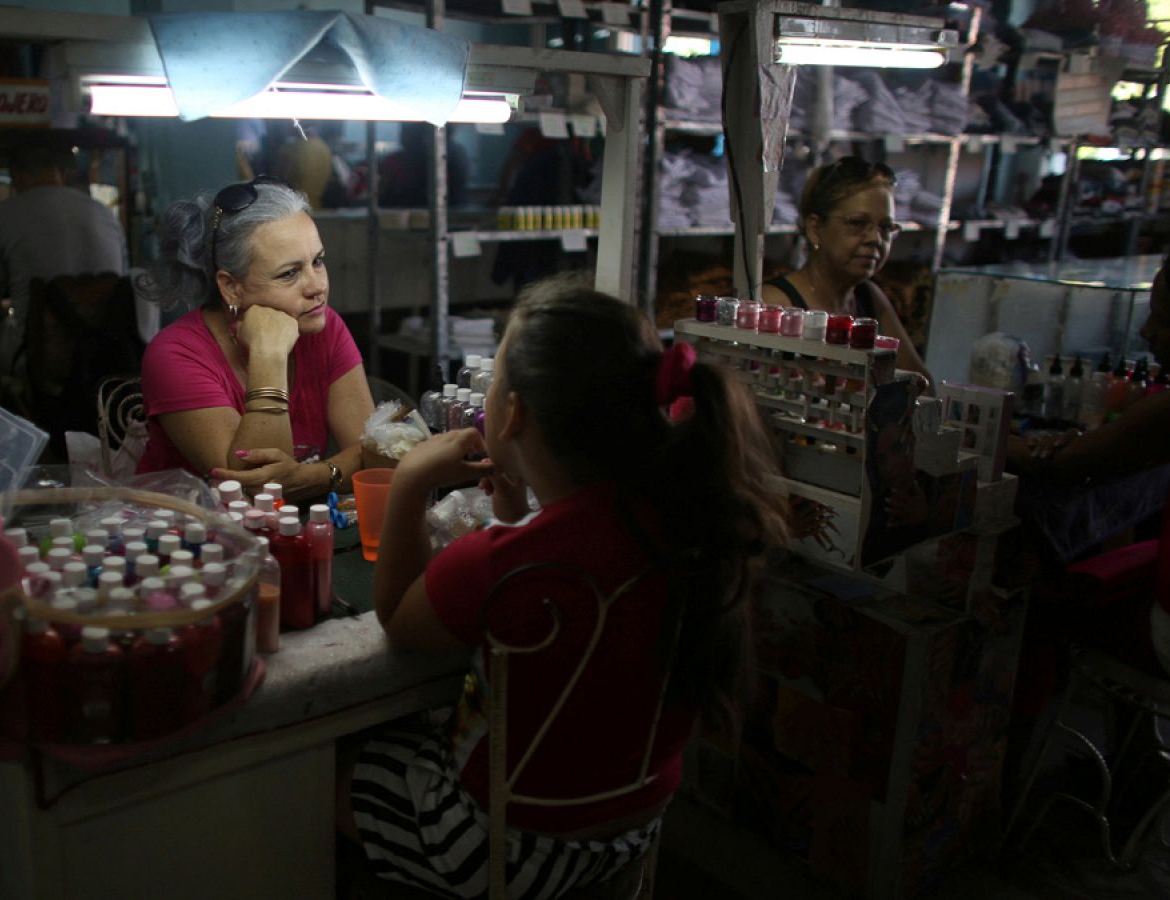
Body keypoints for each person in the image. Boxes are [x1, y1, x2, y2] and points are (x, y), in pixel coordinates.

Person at [337, 275, 789, 897]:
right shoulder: (687, 522)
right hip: (629, 833)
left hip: (498, 851)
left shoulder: (506, 562)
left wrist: (411, 478)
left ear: (514, 411)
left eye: (496, 378)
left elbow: (400, 620)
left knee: (330, 770)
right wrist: (517, 505)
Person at [1009, 234, 1170, 688]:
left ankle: (1016, 745)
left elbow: (1063, 465)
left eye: (1163, 320)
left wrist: (983, 436)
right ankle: (1141, 756)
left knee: (1028, 606)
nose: (1146, 333)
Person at [136, 177, 375, 499]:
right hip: (191, 536)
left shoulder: (323, 325)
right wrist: (268, 355)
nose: (317, 286)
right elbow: (253, 489)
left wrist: (313, 476)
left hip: (293, 529)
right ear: (231, 286)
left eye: (317, 261)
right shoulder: (175, 355)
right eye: (289, 273)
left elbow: (374, 452)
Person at [0, 141, 128, 392]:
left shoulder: (0, 216)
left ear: (16, 175)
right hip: (106, 353)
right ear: (62, 173)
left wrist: (8, 311)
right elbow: (121, 286)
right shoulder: (104, 214)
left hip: (41, 354)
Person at [761, 157, 932, 381]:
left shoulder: (869, 297)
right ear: (815, 229)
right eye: (857, 223)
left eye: (886, 227)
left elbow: (921, 384)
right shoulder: (775, 306)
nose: (875, 239)